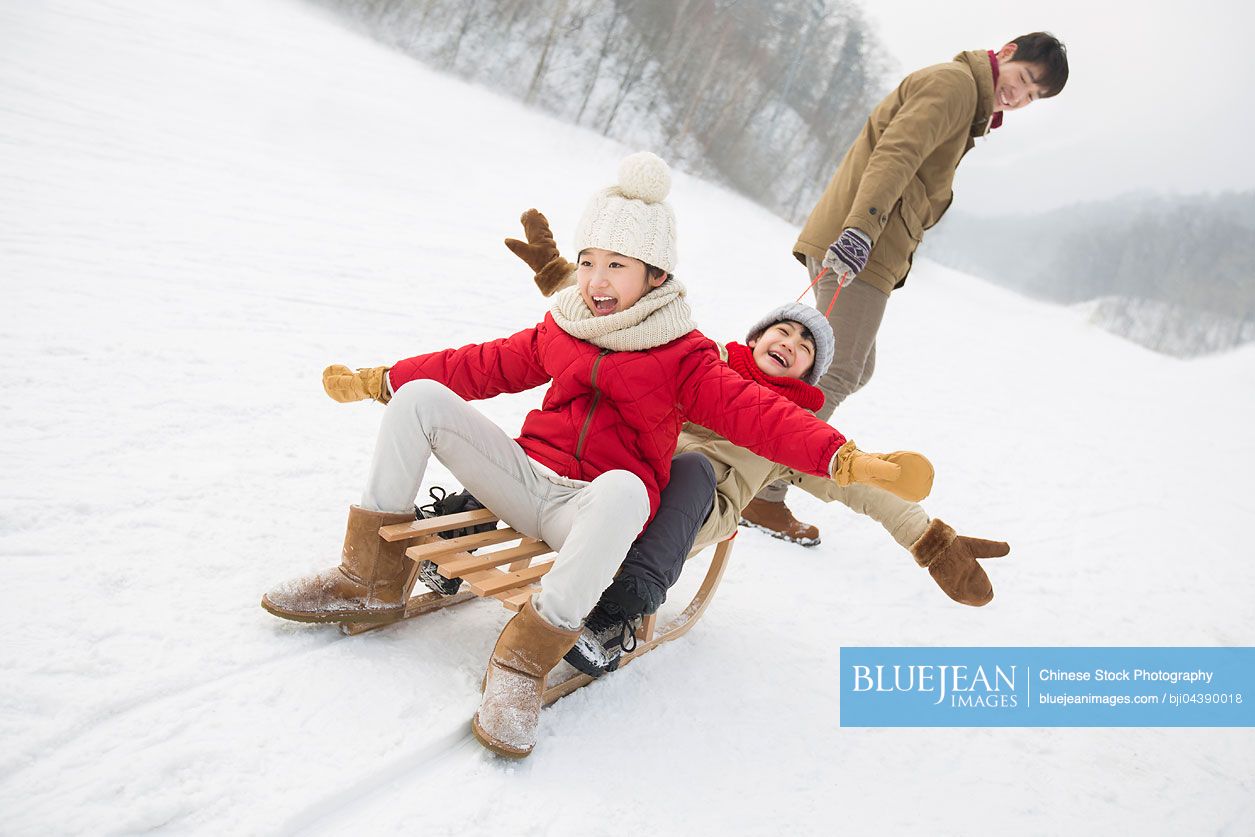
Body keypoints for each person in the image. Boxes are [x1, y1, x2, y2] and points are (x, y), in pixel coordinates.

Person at [259, 152, 934, 759]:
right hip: (525, 478)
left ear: (655, 273)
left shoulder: (686, 355)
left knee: (629, 489)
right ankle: (369, 578)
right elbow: (482, 364)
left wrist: (845, 460)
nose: (595, 279)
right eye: (588, 261)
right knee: (425, 399)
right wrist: (384, 379)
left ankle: (524, 663)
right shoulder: (565, 323)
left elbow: (761, 414)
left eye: (615, 265)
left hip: (586, 511)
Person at [506, 212, 1010, 675]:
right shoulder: (702, 367)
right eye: (783, 331)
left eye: (805, 347)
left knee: (695, 470)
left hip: (687, 511)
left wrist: (932, 541)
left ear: (808, 373)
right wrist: (557, 273)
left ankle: (618, 614)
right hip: (629, 474)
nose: (791, 341)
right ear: (754, 340)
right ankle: (481, 509)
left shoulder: (790, 432)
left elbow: (858, 486)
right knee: (589, 422)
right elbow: (619, 328)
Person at [741, 32, 1070, 545]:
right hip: (860, 246)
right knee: (837, 371)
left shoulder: (968, 102)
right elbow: (895, 155)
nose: (1019, 97)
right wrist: (859, 232)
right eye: (1024, 80)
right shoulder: (956, 87)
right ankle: (757, 489)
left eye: (1032, 98)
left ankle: (755, 458)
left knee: (853, 367)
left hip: (870, 248)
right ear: (1005, 54)